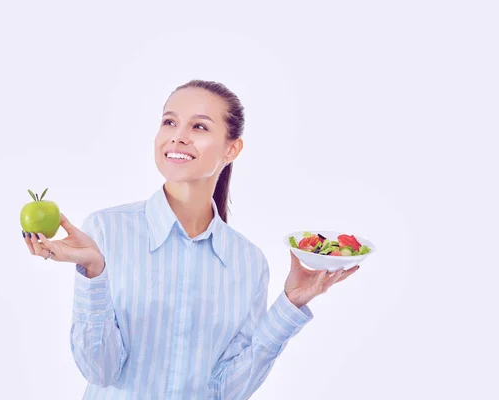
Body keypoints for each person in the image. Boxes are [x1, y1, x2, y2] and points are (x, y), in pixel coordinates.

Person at [22, 79, 360, 399]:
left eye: (198, 126)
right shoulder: (106, 232)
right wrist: (94, 272)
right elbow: (100, 371)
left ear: (232, 149)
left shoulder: (247, 261)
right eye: (170, 122)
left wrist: (290, 305)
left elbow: (227, 391)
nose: (178, 136)